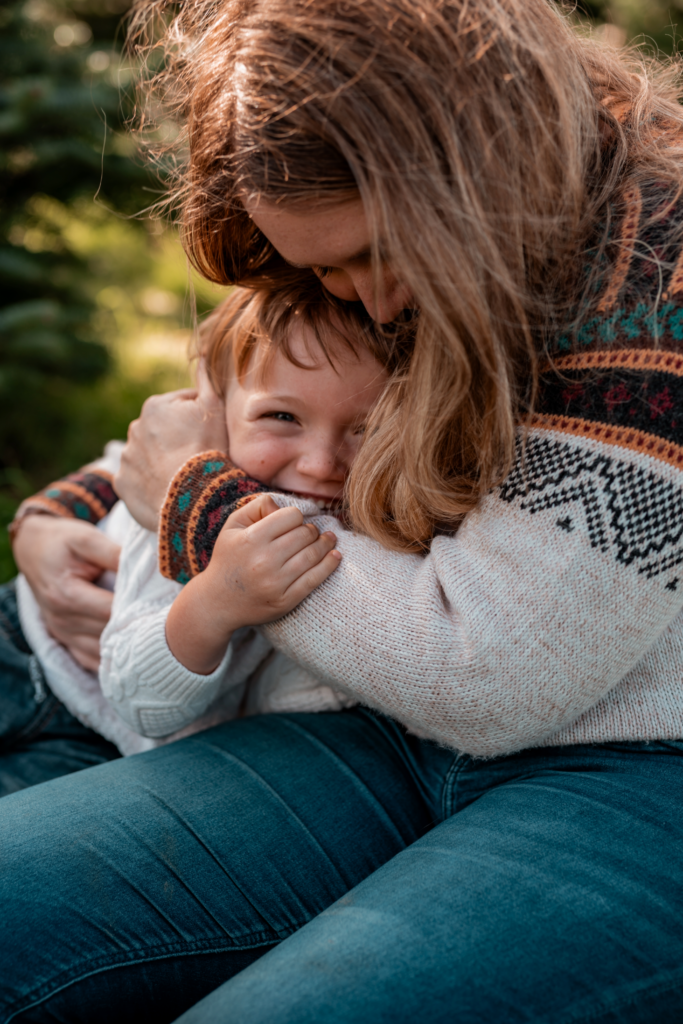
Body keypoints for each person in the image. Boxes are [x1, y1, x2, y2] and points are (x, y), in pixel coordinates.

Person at [3, 0, 683, 1020]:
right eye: (324, 270)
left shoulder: (657, 266)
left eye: (371, 255)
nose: (369, 304)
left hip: (630, 773)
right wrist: (73, 506)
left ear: (462, 170)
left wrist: (194, 509)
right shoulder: (392, 249)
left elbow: (492, 672)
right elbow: (238, 410)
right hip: (375, 726)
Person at [1, 282, 396, 787]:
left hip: (101, 742)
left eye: (369, 428)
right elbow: (139, 693)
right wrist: (214, 602)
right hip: (28, 643)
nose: (320, 465)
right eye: (281, 416)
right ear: (213, 407)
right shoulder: (190, 500)